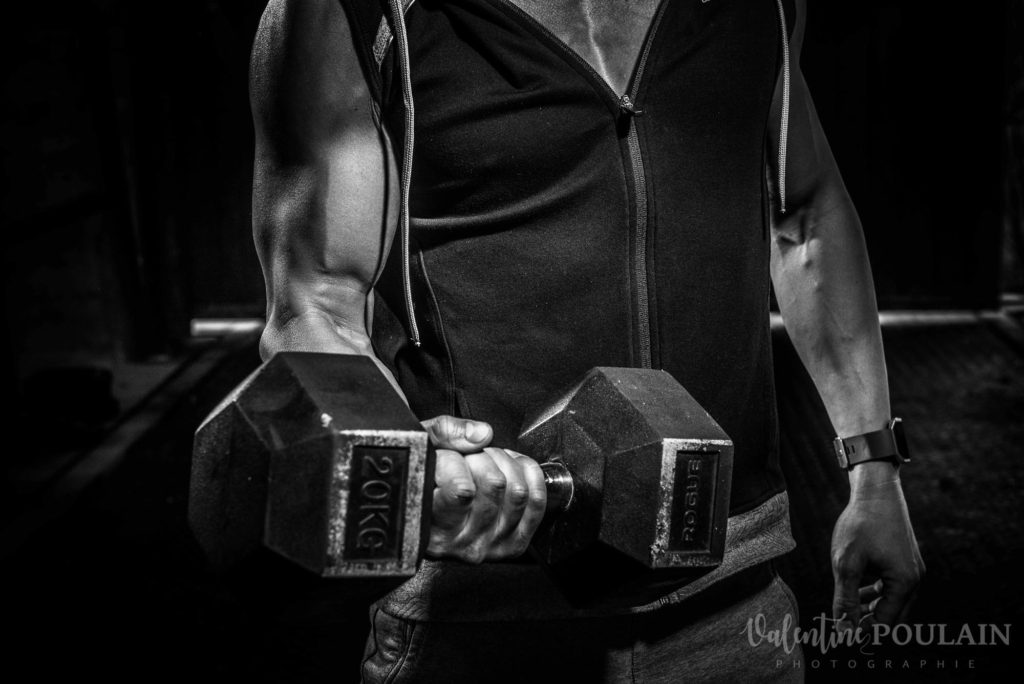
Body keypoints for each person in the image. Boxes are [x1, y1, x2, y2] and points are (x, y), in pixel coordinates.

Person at [249, 0, 924, 680]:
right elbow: (316, 302)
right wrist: (404, 473)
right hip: (482, 614)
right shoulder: (355, 12)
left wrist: (874, 469)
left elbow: (804, 216)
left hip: (734, 603)